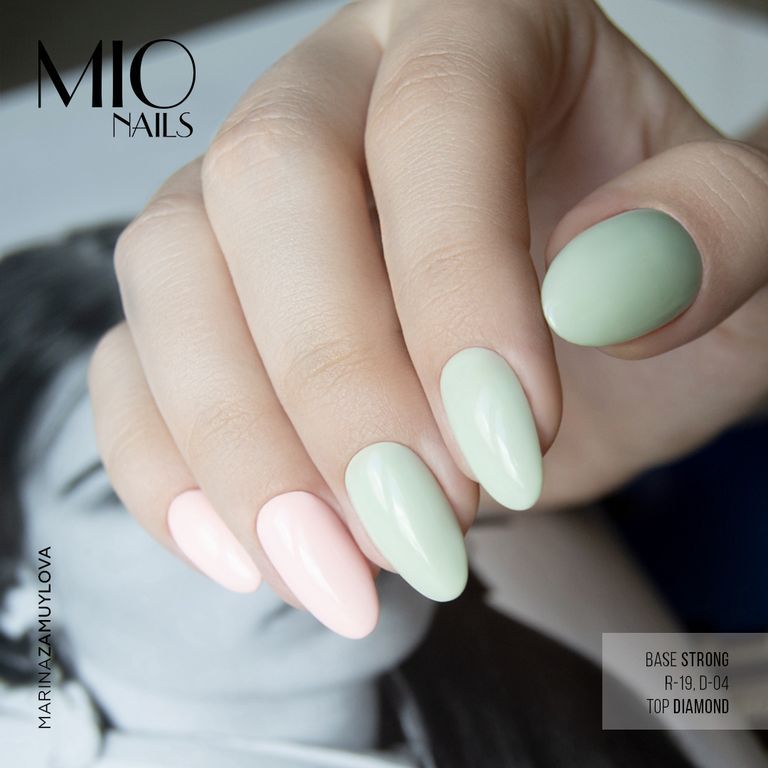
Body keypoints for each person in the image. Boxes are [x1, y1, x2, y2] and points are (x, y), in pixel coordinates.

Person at [2, 0, 767, 763]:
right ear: (16, 593)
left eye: (293, 418)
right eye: (112, 494)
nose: (313, 495)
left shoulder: (548, 697)